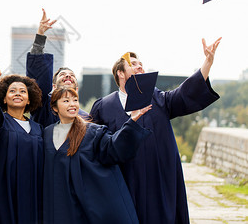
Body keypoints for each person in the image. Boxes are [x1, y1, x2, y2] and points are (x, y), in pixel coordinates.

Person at [90, 38, 221, 224]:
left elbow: (184, 93)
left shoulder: (156, 98)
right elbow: (94, 144)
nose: (139, 66)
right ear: (120, 73)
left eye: (141, 64)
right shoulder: (104, 107)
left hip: (157, 180)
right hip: (124, 180)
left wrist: (207, 63)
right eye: (133, 64)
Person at [43, 87, 152, 223]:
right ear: (54, 108)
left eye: (75, 100)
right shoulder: (46, 134)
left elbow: (113, 148)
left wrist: (132, 122)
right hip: (59, 205)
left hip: (84, 207)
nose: (72, 104)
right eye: (66, 100)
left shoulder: (91, 132)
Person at [0, 65, 44, 224]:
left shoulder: (38, 129)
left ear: (29, 100)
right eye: (12, 91)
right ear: (4, 98)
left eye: (23, 91)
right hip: (1, 193)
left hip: (31, 194)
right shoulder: (1, 121)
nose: (18, 94)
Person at [26, 8, 88, 127]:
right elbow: (37, 76)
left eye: (72, 75)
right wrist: (40, 35)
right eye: (63, 75)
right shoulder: (43, 104)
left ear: (77, 88)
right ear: (53, 86)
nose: (68, 76)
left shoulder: (86, 118)